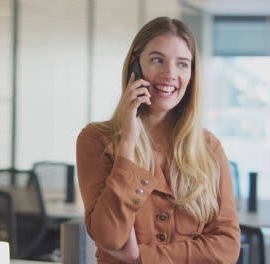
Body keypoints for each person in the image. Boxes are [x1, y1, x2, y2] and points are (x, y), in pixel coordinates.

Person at [76, 16, 240, 264]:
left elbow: (227, 246)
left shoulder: (208, 147)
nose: (169, 74)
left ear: (192, 74)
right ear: (135, 66)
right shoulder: (97, 139)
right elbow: (109, 237)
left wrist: (141, 257)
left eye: (183, 64)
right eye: (157, 60)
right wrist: (128, 144)